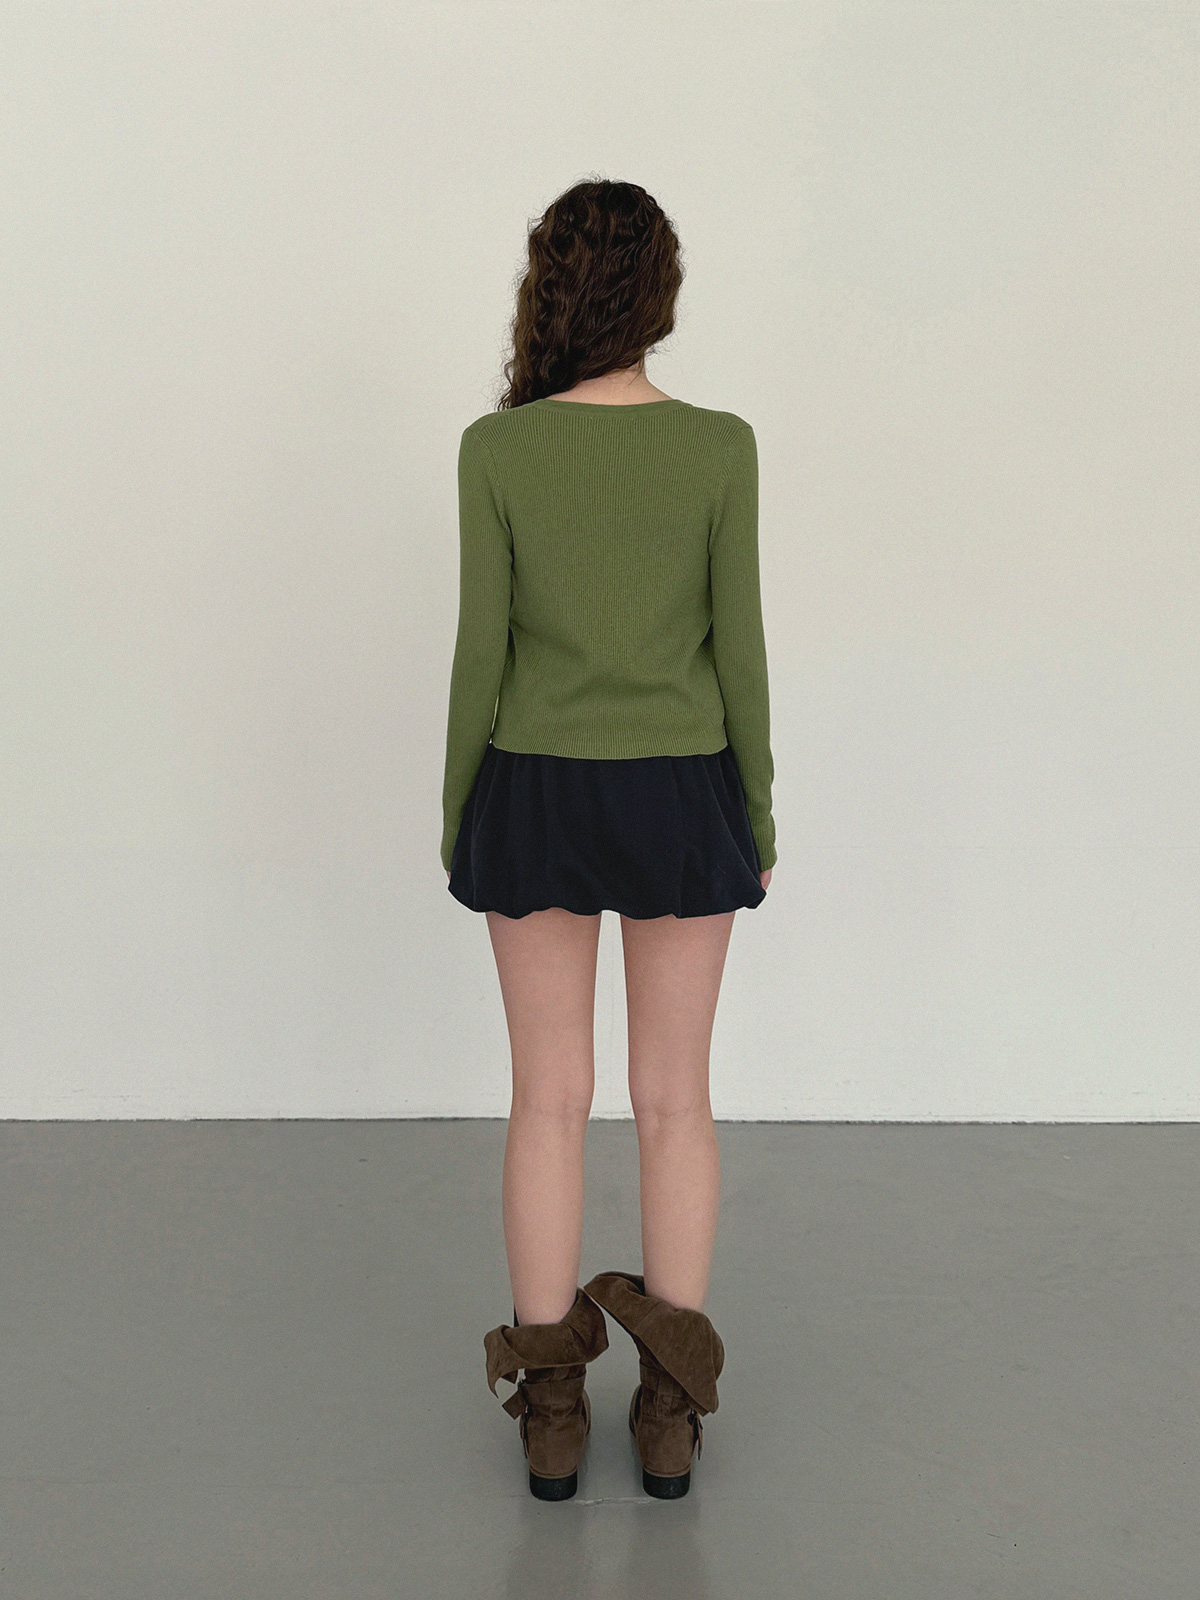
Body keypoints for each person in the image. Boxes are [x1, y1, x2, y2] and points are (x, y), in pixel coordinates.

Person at [440, 178, 776, 1502]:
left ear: (550, 290)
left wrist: (460, 812)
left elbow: (480, 656)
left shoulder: (497, 450)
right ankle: (670, 1415)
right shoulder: (721, 447)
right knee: (676, 1099)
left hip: (534, 788)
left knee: (548, 1098)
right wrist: (757, 811)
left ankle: (551, 1413)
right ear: (660, 296)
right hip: (681, 788)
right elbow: (739, 653)